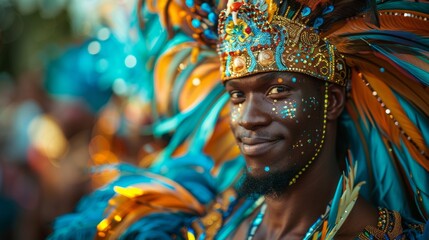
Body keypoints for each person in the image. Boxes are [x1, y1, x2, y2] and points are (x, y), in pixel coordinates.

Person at [49, 0, 429, 239]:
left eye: (277, 91)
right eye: (237, 95)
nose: (248, 119)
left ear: (332, 101)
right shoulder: (208, 222)